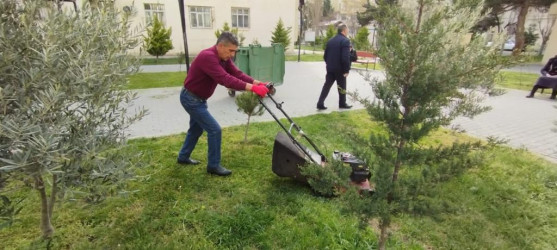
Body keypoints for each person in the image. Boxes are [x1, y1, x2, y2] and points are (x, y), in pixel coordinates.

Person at [177, 32, 269, 176]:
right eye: (230, 50)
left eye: (234, 51)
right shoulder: (207, 57)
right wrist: (253, 88)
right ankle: (213, 166)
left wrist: (257, 82)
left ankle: (183, 157)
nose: (232, 55)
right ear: (220, 46)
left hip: (199, 99)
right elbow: (225, 79)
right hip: (191, 99)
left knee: (196, 130)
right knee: (214, 130)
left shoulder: (223, 58)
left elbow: (236, 73)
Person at [316, 23, 353, 110]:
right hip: (340, 69)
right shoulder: (345, 41)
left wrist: (329, 64)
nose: (348, 32)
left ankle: (320, 103)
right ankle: (342, 103)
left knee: (327, 86)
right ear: (344, 30)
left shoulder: (330, 40)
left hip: (330, 68)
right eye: (347, 30)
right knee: (342, 86)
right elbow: (345, 57)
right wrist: (346, 70)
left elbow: (325, 56)